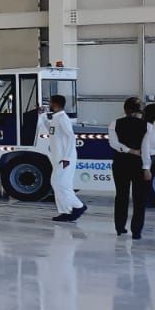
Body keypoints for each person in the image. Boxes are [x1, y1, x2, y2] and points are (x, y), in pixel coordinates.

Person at [108, 97, 155, 239]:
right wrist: (146, 167)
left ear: (125, 109)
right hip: (138, 165)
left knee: (121, 196)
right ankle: (136, 231)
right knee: (139, 199)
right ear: (141, 110)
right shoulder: (147, 126)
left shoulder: (115, 123)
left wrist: (128, 150)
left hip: (120, 163)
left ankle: (119, 227)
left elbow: (114, 144)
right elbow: (145, 149)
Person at [45, 94, 87, 223]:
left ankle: (78, 206)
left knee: (59, 183)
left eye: (50, 102)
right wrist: (42, 117)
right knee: (61, 184)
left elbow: (70, 137)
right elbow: (51, 131)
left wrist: (67, 157)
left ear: (55, 104)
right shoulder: (56, 118)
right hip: (58, 158)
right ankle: (65, 211)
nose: (49, 105)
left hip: (65, 159)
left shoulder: (62, 118)